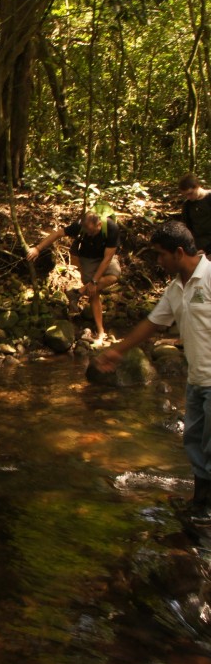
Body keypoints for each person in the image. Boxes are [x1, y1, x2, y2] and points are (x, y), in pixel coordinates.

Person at [96, 220, 211, 520]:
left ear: (178, 252)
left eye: (161, 255)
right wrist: (117, 351)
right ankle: (200, 504)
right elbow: (152, 323)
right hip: (196, 380)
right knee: (194, 441)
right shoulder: (176, 289)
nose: (158, 262)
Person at [26, 211, 121, 345]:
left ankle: (78, 293)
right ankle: (101, 332)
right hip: (87, 258)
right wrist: (37, 248)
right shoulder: (80, 226)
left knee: (113, 276)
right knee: (94, 293)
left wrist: (94, 281)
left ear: (99, 224)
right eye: (85, 230)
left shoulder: (111, 228)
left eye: (90, 230)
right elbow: (58, 233)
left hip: (105, 257)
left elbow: (107, 259)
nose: (87, 233)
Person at [179, 172, 211, 255]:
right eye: (185, 195)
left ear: (197, 186)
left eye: (190, 193)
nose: (188, 197)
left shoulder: (209, 197)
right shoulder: (187, 205)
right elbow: (187, 228)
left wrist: (208, 249)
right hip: (197, 246)